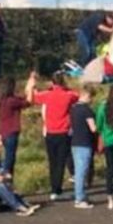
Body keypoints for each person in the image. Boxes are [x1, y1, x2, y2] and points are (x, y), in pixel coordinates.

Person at [26, 71, 79, 201]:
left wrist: (32, 84)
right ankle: (57, 190)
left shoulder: (47, 95)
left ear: (52, 82)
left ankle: (53, 188)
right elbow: (78, 95)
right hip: (63, 132)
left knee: (53, 162)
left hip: (50, 132)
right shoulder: (68, 95)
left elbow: (33, 98)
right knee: (61, 162)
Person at [0, 77, 31, 175]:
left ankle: (7, 181)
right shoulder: (11, 101)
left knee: (8, 158)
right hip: (11, 132)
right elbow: (27, 102)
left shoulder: (1, 100)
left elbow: (22, 98)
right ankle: (6, 181)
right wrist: (30, 88)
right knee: (10, 160)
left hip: (3, 132)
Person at [70, 86, 97, 208]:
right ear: (87, 96)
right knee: (81, 172)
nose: (92, 100)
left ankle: (80, 195)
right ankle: (79, 198)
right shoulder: (87, 110)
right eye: (91, 98)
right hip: (85, 143)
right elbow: (93, 128)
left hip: (75, 142)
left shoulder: (73, 108)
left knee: (78, 171)